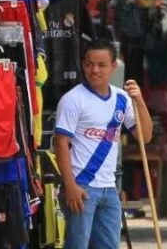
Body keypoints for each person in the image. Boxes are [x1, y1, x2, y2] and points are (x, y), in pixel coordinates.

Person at [54, 39, 153, 249]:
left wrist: (140, 102)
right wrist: (70, 186)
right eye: (89, 64)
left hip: (109, 188)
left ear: (113, 67)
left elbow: (144, 137)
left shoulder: (122, 99)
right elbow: (61, 143)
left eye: (101, 65)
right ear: (83, 64)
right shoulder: (72, 100)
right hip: (82, 187)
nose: (94, 70)